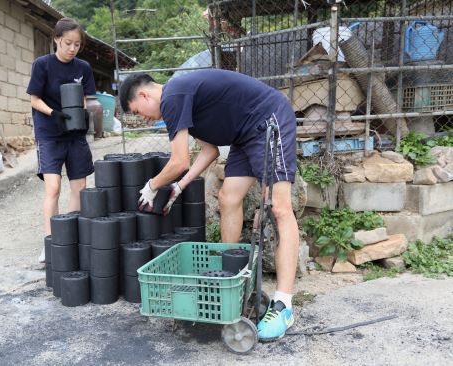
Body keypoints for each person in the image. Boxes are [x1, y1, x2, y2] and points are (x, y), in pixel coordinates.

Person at [120, 69, 299, 340]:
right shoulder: (179, 102)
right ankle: (229, 281)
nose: (142, 118)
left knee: (279, 208)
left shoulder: (173, 96)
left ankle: (284, 305)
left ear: (144, 94)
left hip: (268, 119)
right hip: (244, 135)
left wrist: (152, 185)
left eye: (137, 111)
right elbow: (210, 151)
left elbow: (179, 161)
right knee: (228, 198)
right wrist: (178, 187)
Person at [27, 18, 96, 263]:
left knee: (79, 187)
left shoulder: (83, 68)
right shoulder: (42, 65)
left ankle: (73, 238)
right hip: (49, 133)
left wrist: (84, 113)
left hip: (75, 134)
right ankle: (52, 242)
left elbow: (88, 99)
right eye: (68, 43)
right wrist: (54, 114)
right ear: (57, 38)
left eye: (77, 45)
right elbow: (34, 99)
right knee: (53, 187)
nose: (72, 49)